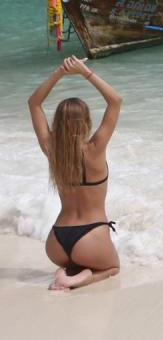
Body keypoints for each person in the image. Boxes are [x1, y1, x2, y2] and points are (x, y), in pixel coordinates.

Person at [28, 56, 123, 291]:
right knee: (112, 268)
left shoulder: (52, 150)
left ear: (57, 122)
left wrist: (60, 72)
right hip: (91, 239)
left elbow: (34, 103)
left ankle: (68, 269)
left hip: (56, 242)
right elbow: (115, 101)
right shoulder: (95, 148)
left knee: (78, 262)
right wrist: (85, 72)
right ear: (88, 121)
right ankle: (76, 279)